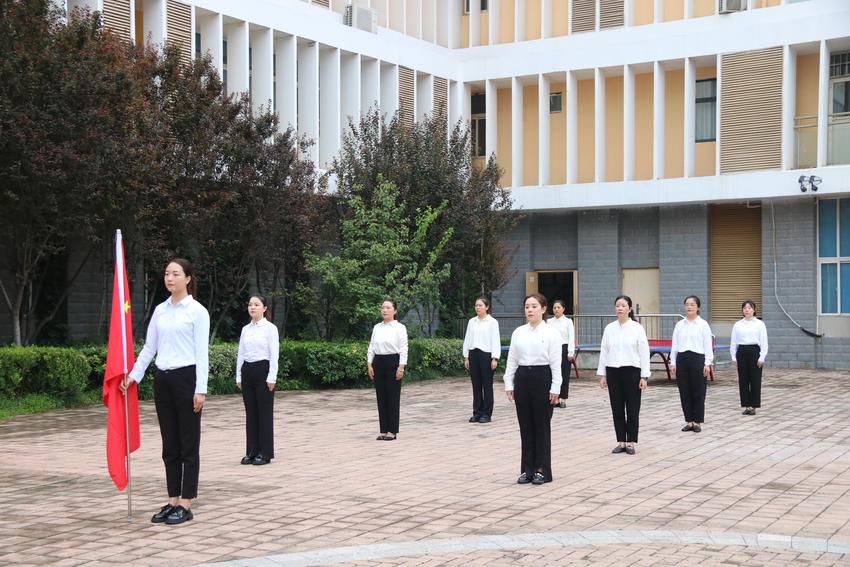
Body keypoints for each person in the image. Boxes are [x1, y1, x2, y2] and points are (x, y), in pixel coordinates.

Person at [123, 259, 209, 525]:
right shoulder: (160, 310)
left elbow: (201, 353)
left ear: (188, 278)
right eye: (167, 274)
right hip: (163, 379)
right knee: (169, 443)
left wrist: (200, 389)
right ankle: (172, 499)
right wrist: (133, 376)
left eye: (175, 274)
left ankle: (186, 502)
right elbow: (150, 348)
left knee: (188, 443)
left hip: (186, 378)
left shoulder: (197, 311)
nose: (169, 278)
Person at [504, 293, 562, 485]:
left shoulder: (552, 333)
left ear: (544, 309)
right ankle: (527, 469)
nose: (530, 310)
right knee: (526, 426)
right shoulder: (519, 332)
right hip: (523, 378)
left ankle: (541, 469)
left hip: (543, 377)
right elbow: (512, 359)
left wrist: (556, 387)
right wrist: (509, 383)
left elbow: (556, 363)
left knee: (541, 426)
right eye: (527, 306)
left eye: (534, 306)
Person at [597, 295, 650, 455]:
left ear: (629, 309)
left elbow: (644, 352)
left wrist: (644, 376)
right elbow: (604, 352)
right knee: (617, 408)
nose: (620, 308)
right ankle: (621, 441)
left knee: (633, 408)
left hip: (632, 372)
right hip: (613, 372)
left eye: (623, 305)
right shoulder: (609, 328)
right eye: (617, 305)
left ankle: (631, 441)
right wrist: (603, 374)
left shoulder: (637, 328)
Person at [236, 295, 279, 465]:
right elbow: (241, 353)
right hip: (248, 370)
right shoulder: (246, 329)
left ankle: (265, 452)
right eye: (250, 304)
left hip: (263, 370)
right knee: (251, 413)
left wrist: (272, 376)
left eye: (256, 304)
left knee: (264, 413)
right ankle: (251, 451)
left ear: (264, 308)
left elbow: (274, 354)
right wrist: (239, 375)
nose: (252, 307)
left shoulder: (270, 328)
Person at [670, 295, 713, 433]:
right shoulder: (679, 325)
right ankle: (689, 421)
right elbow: (674, 346)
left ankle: (697, 421)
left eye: (692, 304)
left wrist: (707, 363)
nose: (689, 307)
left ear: (698, 307)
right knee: (684, 391)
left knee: (698, 391)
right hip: (682, 359)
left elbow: (708, 345)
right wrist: (673, 362)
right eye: (687, 304)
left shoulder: (703, 324)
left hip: (697, 359)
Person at [367, 299, 408, 441]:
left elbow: (404, 348)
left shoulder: (400, 328)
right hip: (378, 362)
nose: (384, 310)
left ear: (395, 311)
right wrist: (369, 364)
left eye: (388, 307)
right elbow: (371, 346)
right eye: (383, 307)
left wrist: (401, 367)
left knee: (392, 397)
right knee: (381, 397)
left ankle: (392, 430)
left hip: (393, 362)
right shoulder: (377, 327)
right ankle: (383, 429)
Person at [462, 297, 501, 424]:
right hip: (473, 354)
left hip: (486, 355)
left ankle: (487, 413)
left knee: (487, 386)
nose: (477, 307)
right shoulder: (472, 322)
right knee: (476, 385)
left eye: (480, 305)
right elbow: (467, 339)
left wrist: (495, 358)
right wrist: (466, 356)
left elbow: (496, 340)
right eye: (476, 305)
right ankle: (477, 413)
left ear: (487, 307)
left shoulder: (492, 322)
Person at [730, 300, 768, 416]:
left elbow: (764, 342)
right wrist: (734, 357)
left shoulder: (760, 324)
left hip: (755, 352)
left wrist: (762, 357)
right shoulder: (738, 324)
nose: (747, 310)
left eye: (749, 308)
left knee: (755, 380)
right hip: (741, 352)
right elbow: (733, 342)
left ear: (754, 310)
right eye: (745, 308)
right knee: (743, 380)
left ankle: (754, 406)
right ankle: (746, 405)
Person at [548, 299, 575, 409]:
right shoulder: (549, 322)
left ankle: (563, 399)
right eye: (554, 308)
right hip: (553, 349)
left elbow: (571, 337)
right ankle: (555, 399)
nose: (556, 310)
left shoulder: (568, 321)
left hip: (564, 349)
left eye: (559, 307)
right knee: (553, 374)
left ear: (563, 309)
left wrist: (570, 352)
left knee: (564, 374)